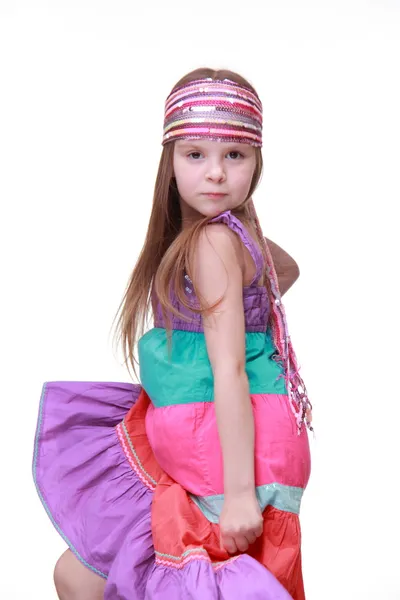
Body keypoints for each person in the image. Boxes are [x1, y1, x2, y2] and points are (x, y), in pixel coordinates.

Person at [32, 67, 313, 600]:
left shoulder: (212, 242)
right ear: (170, 162)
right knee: (80, 572)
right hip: (212, 439)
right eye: (196, 155)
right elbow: (286, 270)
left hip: (226, 451)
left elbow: (229, 367)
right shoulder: (222, 238)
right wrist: (248, 279)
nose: (215, 174)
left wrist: (237, 496)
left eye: (235, 156)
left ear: (256, 163)